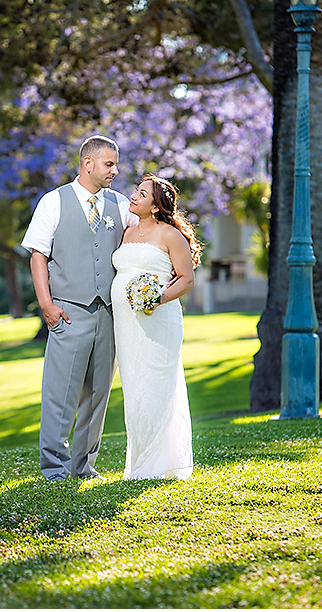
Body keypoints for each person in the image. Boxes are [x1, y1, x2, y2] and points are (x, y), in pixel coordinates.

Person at [22, 135, 137, 481]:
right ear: (88, 164)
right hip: (69, 313)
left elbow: (141, 238)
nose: (115, 171)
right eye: (109, 164)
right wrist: (47, 305)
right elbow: (38, 255)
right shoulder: (54, 202)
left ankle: (84, 466)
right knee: (61, 393)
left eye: (115, 164)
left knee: (97, 394)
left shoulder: (119, 205)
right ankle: (54, 468)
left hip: (109, 315)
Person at [111, 174, 201, 480]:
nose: (133, 196)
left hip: (158, 321)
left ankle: (159, 463)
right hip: (126, 325)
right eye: (136, 191)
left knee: (157, 387)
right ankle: (139, 461)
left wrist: (157, 298)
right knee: (134, 388)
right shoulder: (126, 233)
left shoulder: (169, 236)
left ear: (155, 205)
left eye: (142, 193)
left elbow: (187, 279)